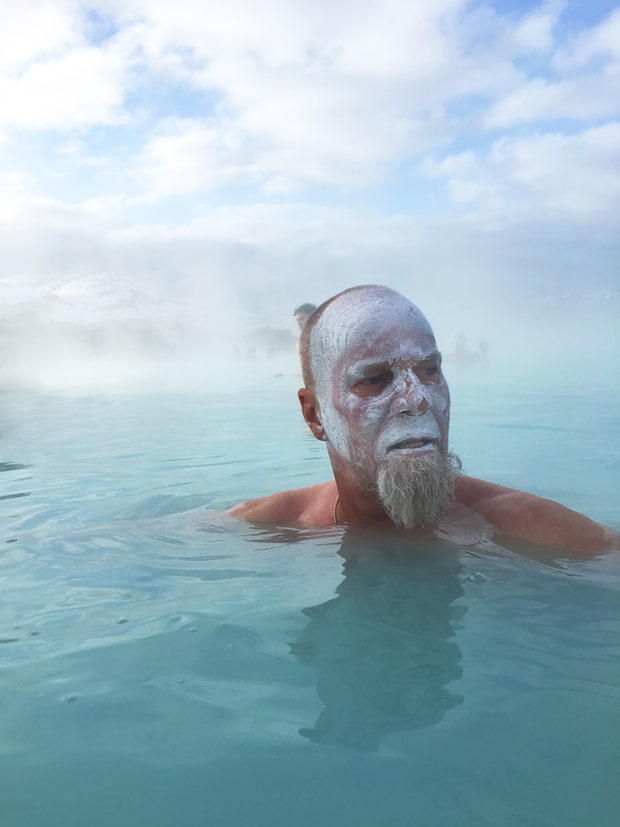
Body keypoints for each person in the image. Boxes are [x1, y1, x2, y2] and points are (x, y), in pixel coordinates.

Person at [230, 285, 618, 554]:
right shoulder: (266, 528)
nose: (417, 399)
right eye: (374, 379)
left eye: (430, 370)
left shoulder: (538, 531)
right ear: (315, 416)